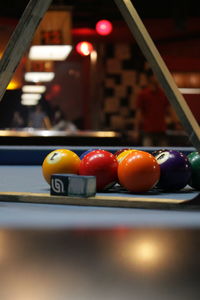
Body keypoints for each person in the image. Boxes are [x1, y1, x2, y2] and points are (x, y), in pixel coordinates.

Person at [134, 69, 181, 146]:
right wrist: (136, 130)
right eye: (156, 75)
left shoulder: (163, 94)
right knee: (147, 155)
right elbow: (139, 113)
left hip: (161, 130)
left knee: (163, 155)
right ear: (150, 77)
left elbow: (170, 110)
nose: (158, 78)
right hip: (147, 131)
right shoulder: (142, 94)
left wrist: (176, 123)